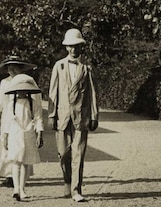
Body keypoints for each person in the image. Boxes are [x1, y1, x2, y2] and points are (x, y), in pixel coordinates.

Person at [49, 28, 99, 203]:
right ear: (66, 47)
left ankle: (76, 189)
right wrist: (51, 115)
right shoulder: (59, 66)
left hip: (81, 117)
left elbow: (93, 93)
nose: (73, 49)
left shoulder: (87, 68)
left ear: (81, 47)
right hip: (62, 116)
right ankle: (67, 181)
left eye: (76, 46)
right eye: (70, 46)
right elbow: (53, 92)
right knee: (63, 153)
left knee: (79, 153)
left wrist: (94, 115)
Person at [0, 54, 38, 186]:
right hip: (8, 114)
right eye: (9, 68)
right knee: (6, 143)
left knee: (22, 143)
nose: (12, 71)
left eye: (15, 68)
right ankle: (9, 174)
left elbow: (35, 100)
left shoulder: (27, 82)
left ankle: (20, 175)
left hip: (22, 114)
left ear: (21, 68)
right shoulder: (5, 82)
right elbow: (1, 102)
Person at [2, 74, 45, 201]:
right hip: (15, 133)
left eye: (25, 89)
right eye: (19, 89)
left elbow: (38, 118)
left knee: (26, 162)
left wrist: (39, 134)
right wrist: (5, 136)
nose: (22, 92)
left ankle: (22, 188)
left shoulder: (32, 103)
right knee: (16, 161)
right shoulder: (12, 104)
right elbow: (7, 121)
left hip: (29, 133)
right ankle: (16, 189)